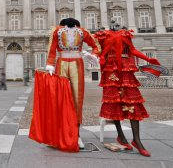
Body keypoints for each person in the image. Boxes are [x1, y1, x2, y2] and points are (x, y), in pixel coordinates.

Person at [94, 25, 161, 157]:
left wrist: (147, 59)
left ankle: (137, 140)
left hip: (126, 68)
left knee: (133, 103)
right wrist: (98, 57)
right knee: (115, 103)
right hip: (111, 69)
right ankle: (121, 137)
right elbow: (97, 50)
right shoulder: (103, 35)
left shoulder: (125, 34)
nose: (116, 26)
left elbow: (132, 50)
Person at [45, 18, 101, 149]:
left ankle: (76, 134)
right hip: (61, 63)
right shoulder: (57, 32)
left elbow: (96, 45)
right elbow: (52, 48)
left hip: (77, 63)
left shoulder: (82, 32)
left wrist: (93, 55)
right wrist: (50, 64)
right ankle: (58, 134)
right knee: (60, 99)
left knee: (77, 99)